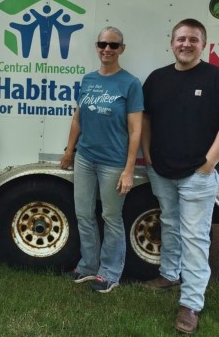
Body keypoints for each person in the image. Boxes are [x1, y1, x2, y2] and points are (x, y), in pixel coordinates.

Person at [141, 18, 219, 334]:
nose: (185, 44)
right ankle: (169, 274)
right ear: (172, 42)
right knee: (170, 224)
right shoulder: (157, 79)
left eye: (193, 39)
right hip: (161, 170)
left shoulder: (214, 77)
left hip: (197, 174)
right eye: (180, 39)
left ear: (203, 43)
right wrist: (147, 155)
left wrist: (209, 163)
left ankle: (191, 304)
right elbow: (145, 119)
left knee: (196, 238)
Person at [61, 27, 143, 293]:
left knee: (110, 216)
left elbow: (135, 130)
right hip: (85, 157)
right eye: (102, 44)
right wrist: (70, 150)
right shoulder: (88, 79)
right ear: (96, 47)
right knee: (84, 214)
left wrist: (129, 169)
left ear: (122, 49)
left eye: (113, 45)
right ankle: (87, 265)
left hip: (113, 163)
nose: (107, 49)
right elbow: (78, 118)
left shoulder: (130, 84)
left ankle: (109, 272)